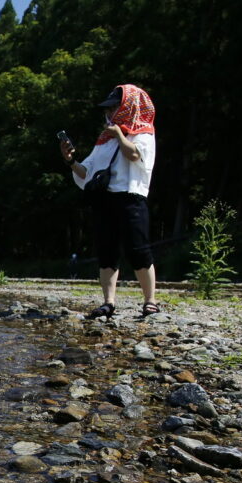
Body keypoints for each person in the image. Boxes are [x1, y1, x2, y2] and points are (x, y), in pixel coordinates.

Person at [60, 84, 159, 319]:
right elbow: (86, 172)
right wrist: (70, 160)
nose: (110, 112)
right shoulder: (104, 139)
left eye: (115, 107)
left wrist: (120, 135)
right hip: (105, 199)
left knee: (138, 250)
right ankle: (108, 302)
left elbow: (135, 155)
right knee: (107, 251)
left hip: (131, 196)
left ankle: (150, 301)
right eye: (109, 108)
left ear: (128, 107)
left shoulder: (144, 133)